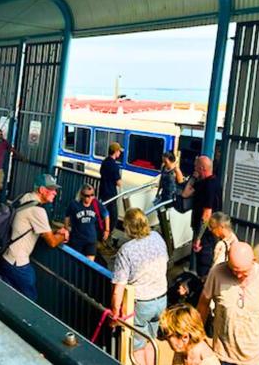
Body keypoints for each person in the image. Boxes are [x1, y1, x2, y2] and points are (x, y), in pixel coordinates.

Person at [196, 242, 259, 365]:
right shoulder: (217, 273)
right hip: (225, 357)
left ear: (253, 261)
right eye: (233, 270)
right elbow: (203, 304)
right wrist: (198, 339)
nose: (238, 275)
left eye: (243, 272)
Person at [0, 174, 70, 300]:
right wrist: (62, 234)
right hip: (18, 264)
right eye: (52, 189)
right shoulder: (38, 211)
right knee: (30, 300)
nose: (55, 193)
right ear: (42, 190)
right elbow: (52, 242)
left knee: (7, 295)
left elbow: (35, 226)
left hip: (6, 257)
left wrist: (53, 230)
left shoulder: (25, 197)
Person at [111, 208, 168, 365]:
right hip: (161, 299)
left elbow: (119, 288)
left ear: (128, 227)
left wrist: (115, 312)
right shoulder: (157, 237)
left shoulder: (126, 250)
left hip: (142, 303)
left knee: (137, 347)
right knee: (151, 341)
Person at [181, 155, 222, 278]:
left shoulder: (209, 185)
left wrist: (199, 236)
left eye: (196, 166)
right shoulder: (204, 183)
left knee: (204, 264)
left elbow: (207, 213)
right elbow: (185, 193)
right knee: (201, 261)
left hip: (206, 233)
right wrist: (194, 177)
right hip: (204, 230)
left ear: (202, 168)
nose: (194, 168)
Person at [64, 184, 110, 261]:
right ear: (81, 195)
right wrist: (66, 228)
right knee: (75, 262)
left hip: (91, 240)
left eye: (92, 195)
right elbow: (67, 215)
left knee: (89, 264)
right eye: (87, 195)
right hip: (77, 240)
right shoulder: (74, 204)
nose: (89, 198)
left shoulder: (96, 203)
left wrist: (107, 230)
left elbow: (106, 214)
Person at [99, 142, 123, 234]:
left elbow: (101, 173)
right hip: (111, 194)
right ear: (115, 152)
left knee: (104, 214)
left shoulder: (104, 162)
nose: (120, 153)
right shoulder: (115, 166)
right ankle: (108, 234)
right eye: (119, 151)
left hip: (103, 191)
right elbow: (118, 183)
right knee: (113, 216)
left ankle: (102, 231)